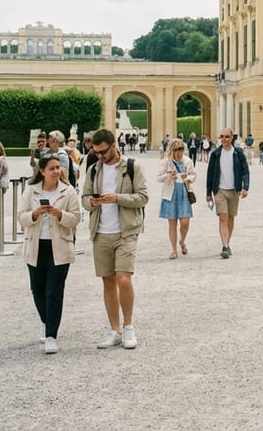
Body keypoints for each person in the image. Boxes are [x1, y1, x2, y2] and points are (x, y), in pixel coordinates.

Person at [81, 128, 149, 350]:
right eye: (96, 152)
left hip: (125, 231)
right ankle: (115, 330)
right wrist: (92, 203)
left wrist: (117, 198)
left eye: (102, 151)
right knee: (107, 281)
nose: (99, 155)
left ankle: (128, 327)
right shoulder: (93, 170)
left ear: (113, 145)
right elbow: (84, 198)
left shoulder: (132, 167)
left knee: (123, 279)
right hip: (100, 232)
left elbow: (143, 197)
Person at [18, 154, 82, 354]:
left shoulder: (68, 191)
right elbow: (21, 217)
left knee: (54, 291)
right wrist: (35, 214)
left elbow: (76, 218)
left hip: (59, 246)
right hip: (36, 245)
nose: (57, 171)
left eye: (58, 168)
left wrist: (59, 214)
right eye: (52, 168)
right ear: (42, 171)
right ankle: (48, 323)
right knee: (37, 290)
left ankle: (51, 335)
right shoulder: (31, 191)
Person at [206, 127, 250, 258]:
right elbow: (210, 174)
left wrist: (245, 187)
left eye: (226, 137)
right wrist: (208, 193)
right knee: (223, 217)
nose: (224, 139)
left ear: (231, 138)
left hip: (234, 190)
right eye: (221, 137)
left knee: (231, 218)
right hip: (219, 190)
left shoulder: (238, 153)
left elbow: (245, 171)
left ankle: (227, 243)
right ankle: (224, 246)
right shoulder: (215, 154)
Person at [158, 140, 196, 259]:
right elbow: (158, 177)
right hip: (171, 194)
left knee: (185, 223)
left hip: (184, 193)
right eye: (176, 150)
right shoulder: (166, 162)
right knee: (172, 223)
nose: (179, 153)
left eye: (181, 150)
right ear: (171, 150)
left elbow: (194, 175)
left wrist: (187, 178)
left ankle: (182, 241)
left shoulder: (188, 161)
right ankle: (174, 250)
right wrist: (169, 176)